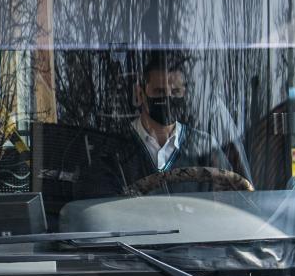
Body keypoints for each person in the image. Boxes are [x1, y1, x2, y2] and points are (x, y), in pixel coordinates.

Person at [76, 55, 235, 197]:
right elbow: (102, 213)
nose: (168, 99)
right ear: (140, 94)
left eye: (175, 92)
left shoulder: (205, 147)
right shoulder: (113, 150)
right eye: (159, 92)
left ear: (185, 94)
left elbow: (229, 204)